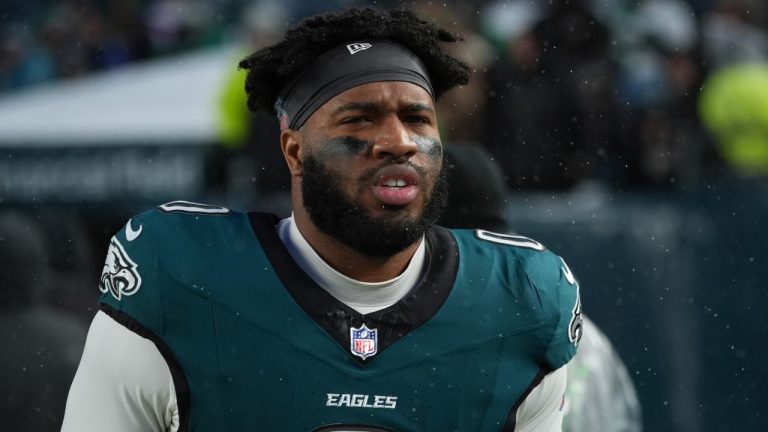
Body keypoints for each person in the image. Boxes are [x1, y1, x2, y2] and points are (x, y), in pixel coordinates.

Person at [62, 7, 582, 431]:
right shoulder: (179, 278)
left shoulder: (520, 303)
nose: (398, 141)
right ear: (294, 151)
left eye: (417, 117)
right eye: (359, 118)